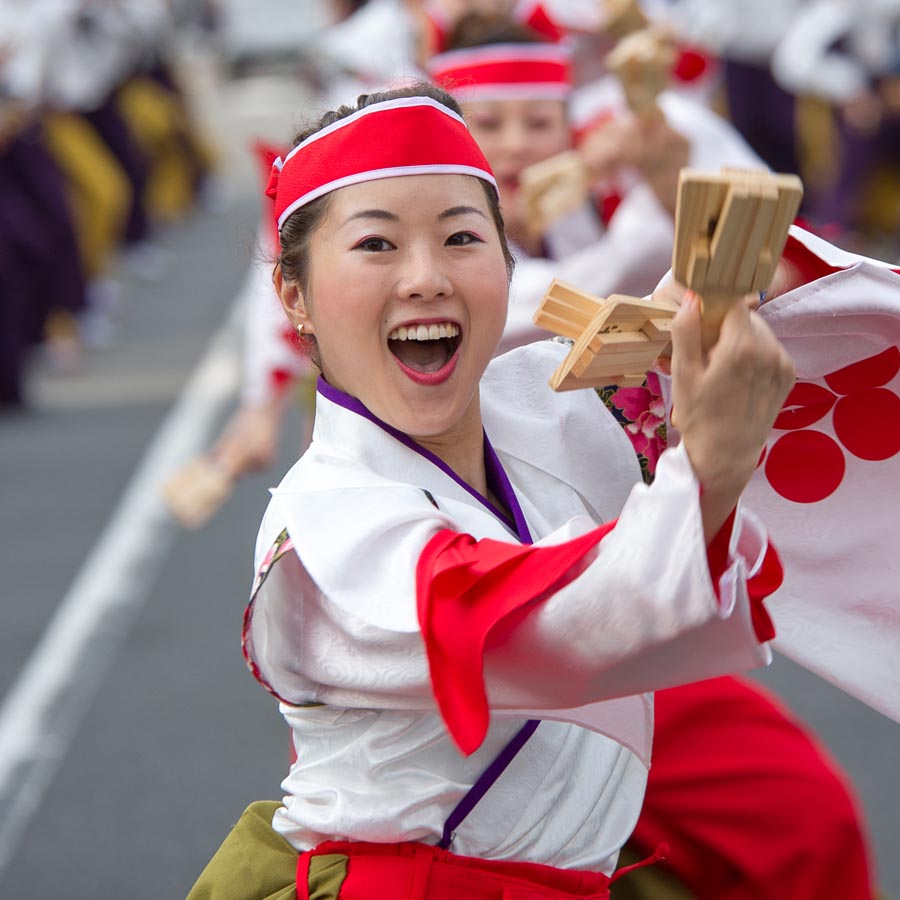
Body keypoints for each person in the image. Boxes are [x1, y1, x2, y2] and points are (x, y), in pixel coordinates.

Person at [187, 82, 795, 899]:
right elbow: (554, 631)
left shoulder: (530, 406)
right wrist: (711, 466)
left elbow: (640, 356)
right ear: (293, 297)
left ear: (507, 266)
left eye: (463, 238)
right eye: (376, 246)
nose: (426, 278)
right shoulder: (327, 531)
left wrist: (703, 305)